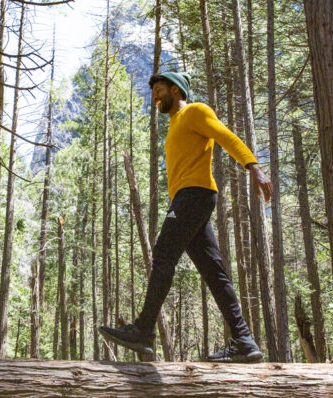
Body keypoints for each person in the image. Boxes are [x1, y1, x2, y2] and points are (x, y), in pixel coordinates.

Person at [98, 71, 273, 363]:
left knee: (164, 254)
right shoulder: (175, 124)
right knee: (214, 272)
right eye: (153, 92)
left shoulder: (195, 111)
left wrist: (253, 166)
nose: (155, 96)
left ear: (177, 90)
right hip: (190, 199)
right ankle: (243, 340)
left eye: (160, 90)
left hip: (194, 195)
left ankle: (143, 330)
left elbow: (225, 136)